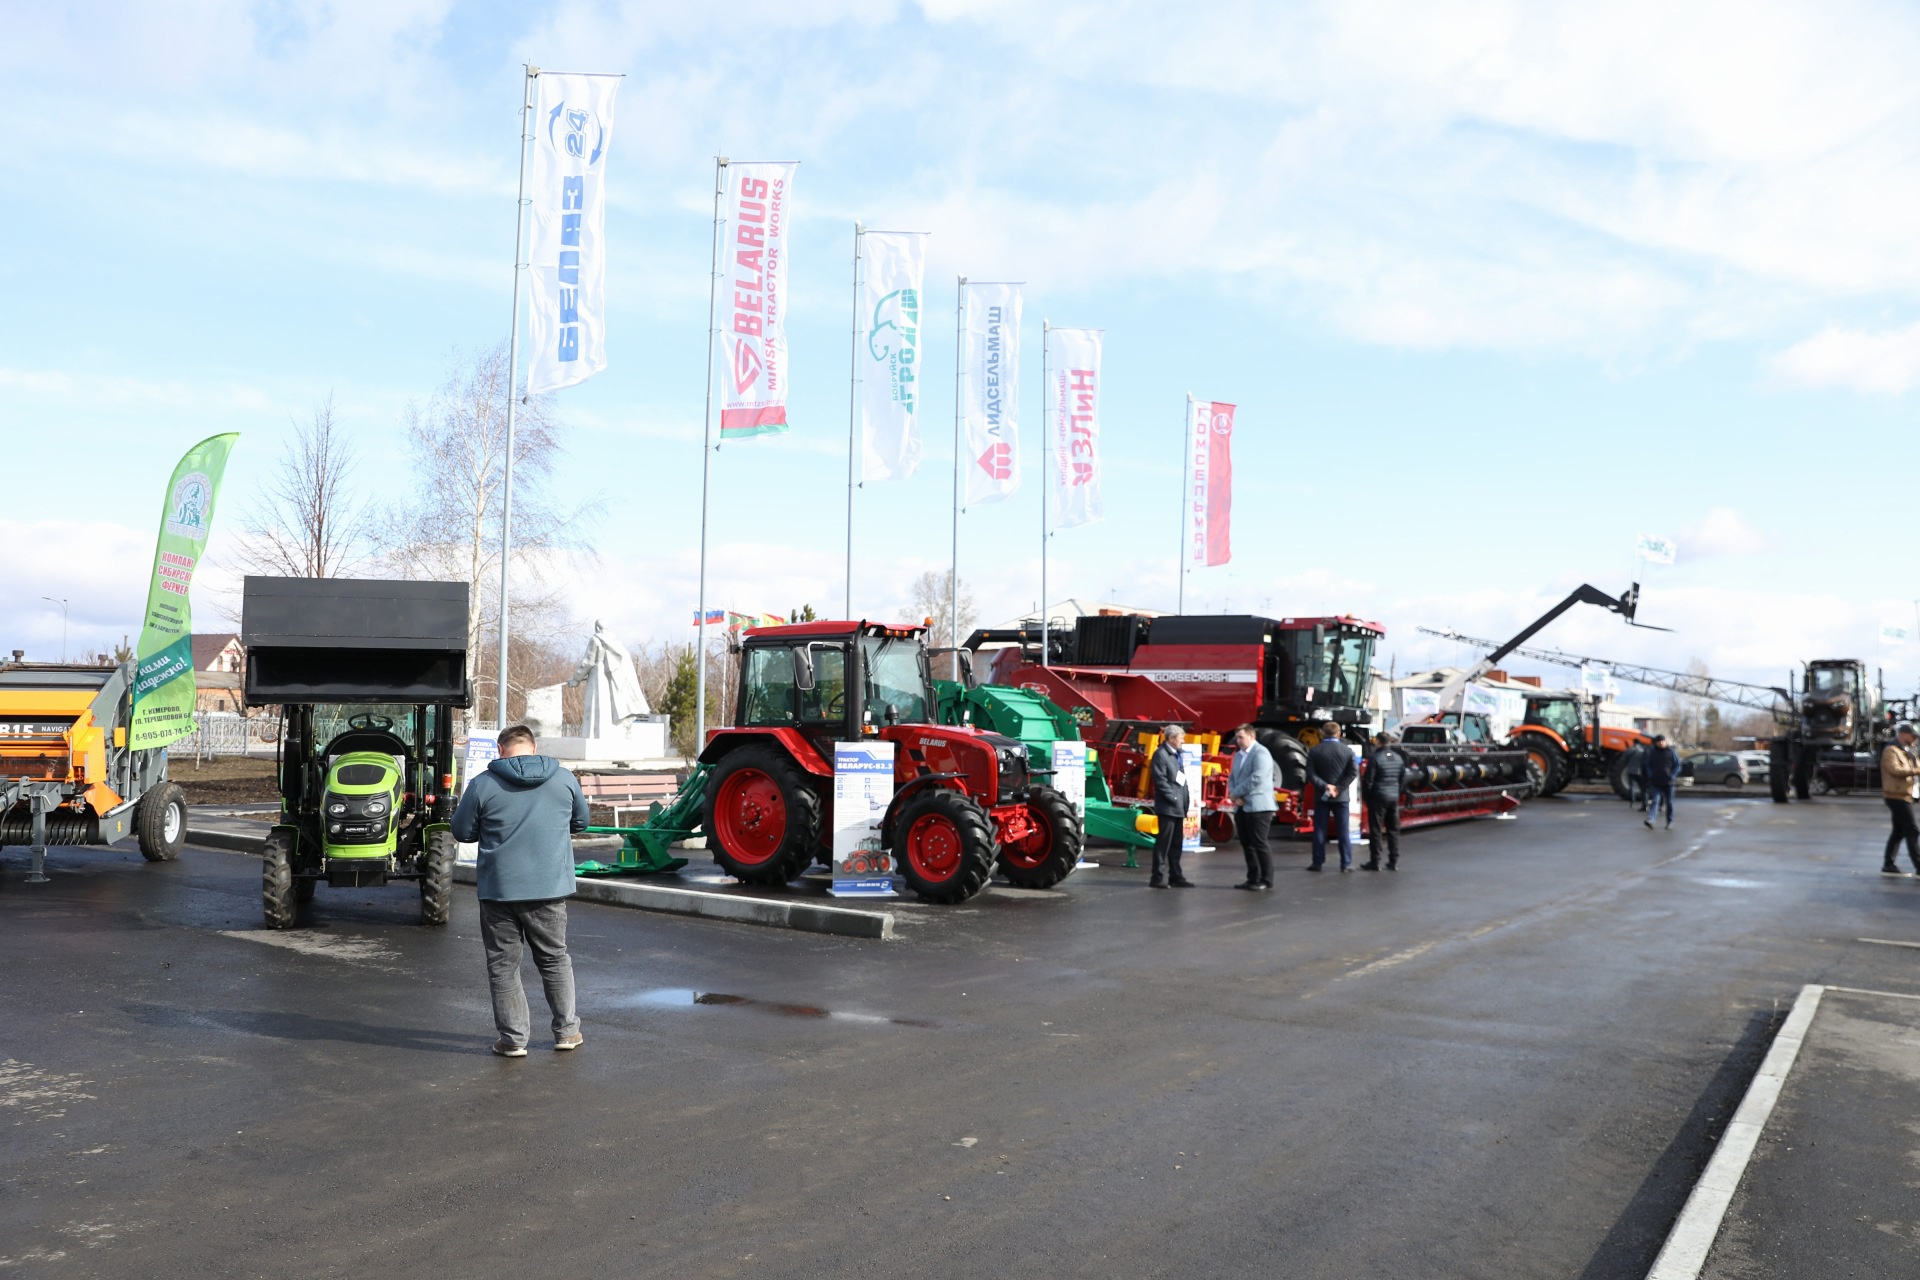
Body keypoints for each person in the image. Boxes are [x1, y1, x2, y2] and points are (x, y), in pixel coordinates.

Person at [451, 723, 590, 1056]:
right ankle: (567, 1032)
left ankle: (513, 1040)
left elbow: (461, 831)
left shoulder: (483, 784)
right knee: (555, 959)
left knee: (503, 966)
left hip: (499, 890)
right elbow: (581, 822)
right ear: (534, 747)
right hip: (549, 888)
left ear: (500, 750)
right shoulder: (564, 779)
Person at [1227, 725, 1277, 890]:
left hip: (1259, 806)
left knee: (1259, 843)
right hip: (1242, 806)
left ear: (1251, 736)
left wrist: (1236, 793)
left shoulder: (1261, 753)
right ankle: (1253, 878)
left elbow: (1257, 778)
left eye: (1241, 737)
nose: (1238, 741)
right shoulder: (1238, 755)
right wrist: (1234, 793)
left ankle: (1266, 879)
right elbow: (1232, 777)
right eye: (1237, 737)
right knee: (1246, 843)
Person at [1307, 720, 1358, 872]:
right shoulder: (1347, 751)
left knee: (1320, 830)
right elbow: (1352, 773)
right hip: (1341, 797)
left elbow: (1311, 774)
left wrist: (1325, 786)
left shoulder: (1315, 750)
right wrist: (1339, 788)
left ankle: (1317, 862)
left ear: (1323, 733)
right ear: (1339, 734)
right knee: (1343, 831)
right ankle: (1346, 863)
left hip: (1322, 795)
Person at [1148, 724, 1194, 889]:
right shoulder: (1161, 755)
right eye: (1181, 738)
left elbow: (1180, 781)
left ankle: (1176, 876)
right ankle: (1157, 877)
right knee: (1163, 843)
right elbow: (1160, 781)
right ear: (1171, 738)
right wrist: (1174, 798)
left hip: (1178, 807)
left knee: (1176, 844)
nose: (1183, 741)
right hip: (1168, 807)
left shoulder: (1176, 755)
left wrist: (1184, 801)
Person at [1362, 731, 1407, 871]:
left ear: (1378, 742)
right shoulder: (1398, 758)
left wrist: (1367, 798)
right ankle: (1393, 861)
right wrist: (1396, 793)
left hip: (1378, 797)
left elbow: (1368, 781)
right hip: (1393, 798)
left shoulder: (1375, 758)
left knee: (1376, 830)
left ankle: (1375, 861)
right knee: (1393, 830)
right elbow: (1402, 780)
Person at [1880, 721, 1920, 876]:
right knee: (1912, 830)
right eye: (1912, 735)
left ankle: (1888, 864)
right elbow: (1895, 770)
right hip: (1896, 795)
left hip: (1905, 794)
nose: (1915, 738)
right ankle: (1918, 866)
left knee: (1898, 831)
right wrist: (1917, 770)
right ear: (1903, 734)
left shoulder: (1907, 750)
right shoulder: (1891, 750)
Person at [1642, 733, 1681, 829]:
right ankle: (1651, 820)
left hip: (1669, 782)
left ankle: (1670, 821)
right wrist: (1651, 774)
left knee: (1669, 803)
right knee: (1655, 801)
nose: (1661, 743)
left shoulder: (1671, 752)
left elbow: (1677, 766)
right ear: (1656, 743)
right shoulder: (1653, 752)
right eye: (1659, 742)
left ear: (1665, 742)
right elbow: (1649, 765)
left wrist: (1672, 775)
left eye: (1662, 741)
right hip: (1656, 781)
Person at [1621, 740, 1648, 811]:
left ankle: (1632, 802)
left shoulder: (1629, 750)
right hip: (1640, 771)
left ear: (1633, 743)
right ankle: (1645, 803)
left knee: (1631, 787)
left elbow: (1623, 759)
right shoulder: (1642, 751)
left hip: (1630, 771)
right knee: (1642, 788)